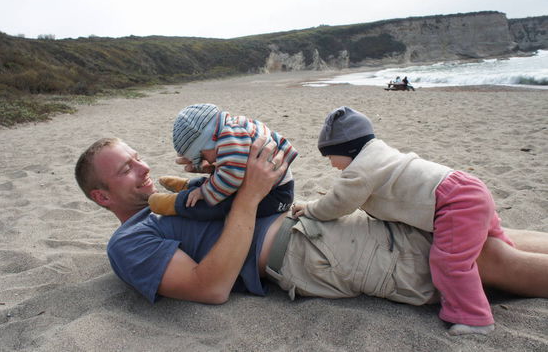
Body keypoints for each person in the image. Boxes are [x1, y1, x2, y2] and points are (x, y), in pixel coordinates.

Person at [75, 136, 548, 336]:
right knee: (487, 262)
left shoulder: (175, 203)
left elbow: (249, 202)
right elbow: (209, 286)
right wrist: (247, 196)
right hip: (313, 252)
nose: (144, 168)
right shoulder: (129, 242)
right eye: (126, 169)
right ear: (102, 197)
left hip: (318, 219)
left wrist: (223, 172)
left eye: (137, 157)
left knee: (483, 234)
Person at [290, 106, 528, 335]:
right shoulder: (380, 153)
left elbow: (337, 204)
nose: (331, 163)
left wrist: (310, 209)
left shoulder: (360, 170)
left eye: (331, 155)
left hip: (455, 204)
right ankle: (516, 262)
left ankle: (475, 319)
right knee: (495, 243)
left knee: (449, 262)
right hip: (468, 187)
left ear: (349, 149)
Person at [148, 103, 298, 219]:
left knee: (218, 205)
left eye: (201, 155)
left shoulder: (229, 138)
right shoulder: (233, 126)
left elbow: (231, 177)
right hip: (269, 185)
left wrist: (203, 192)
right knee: (216, 181)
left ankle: (176, 204)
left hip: (276, 196)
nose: (205, 160)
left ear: (207, 142)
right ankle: (186, 186)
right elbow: (230, 170)